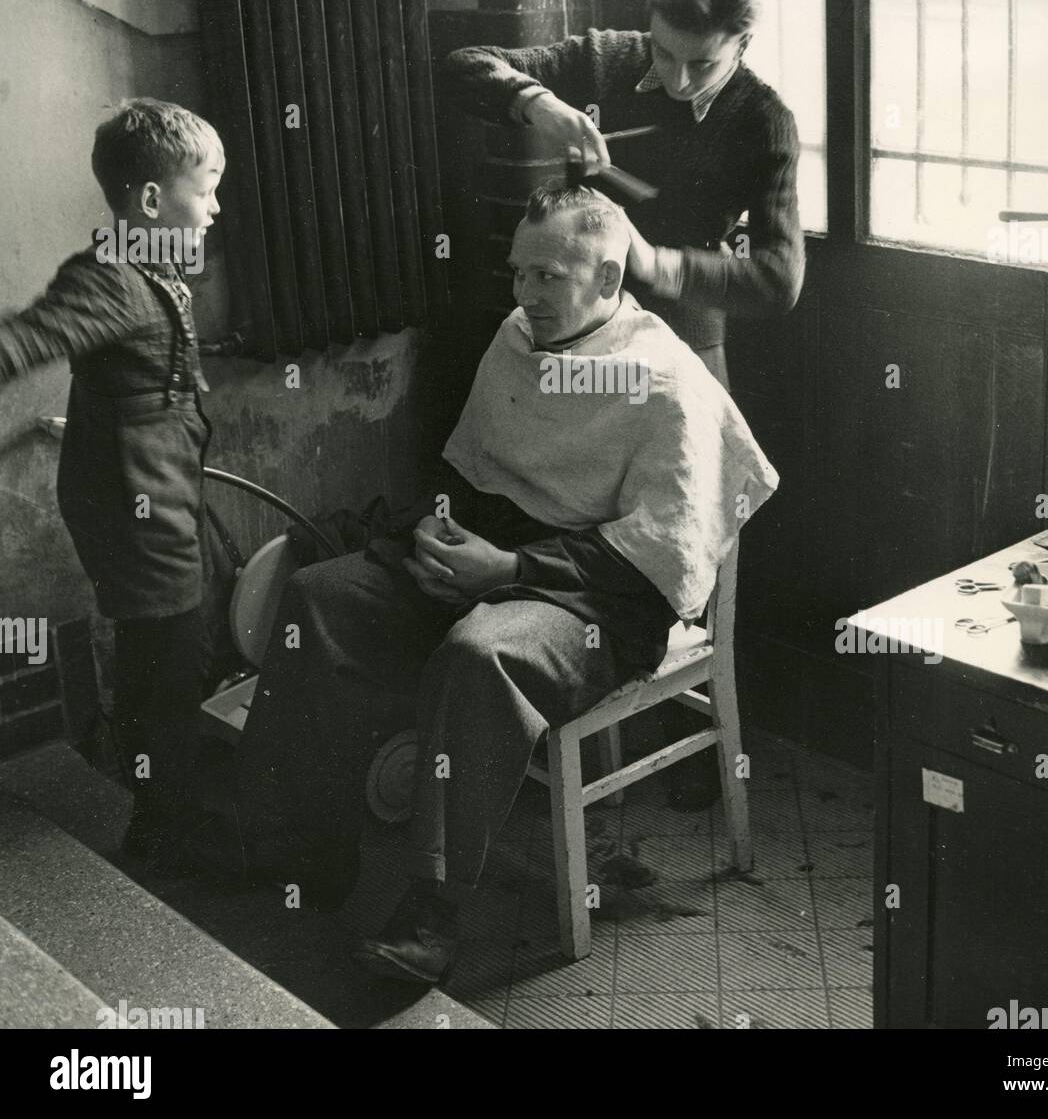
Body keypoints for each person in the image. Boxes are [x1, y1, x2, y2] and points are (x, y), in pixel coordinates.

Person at [232, 185, 778, 985]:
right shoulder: (518, 338)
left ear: (606, 279)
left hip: (597, 603)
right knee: (320, 597)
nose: (524, 294)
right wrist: (438, 529)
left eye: (548, 277)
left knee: (477, 653)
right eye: (518, 272)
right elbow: (478, 474)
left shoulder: (665, 381)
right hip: (502, 559)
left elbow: (656, 569)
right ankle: (302, 852)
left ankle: (433, 915)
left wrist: (513, 572)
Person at [443, 0, 803, 806]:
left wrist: (657, 264)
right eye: (666, 54)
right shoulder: (606, 60)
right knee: (568, 517)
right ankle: (560, 693)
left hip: (676, 351)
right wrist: (534, 100)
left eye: (701, 64)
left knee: (670, 540)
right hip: (573, 335)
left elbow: (780, 279)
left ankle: (672, 718)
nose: (675, 81)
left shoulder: (764, 121)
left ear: (743, 46)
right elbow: (461, 68)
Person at [0, 98, 224, 871]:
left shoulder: (150, 266)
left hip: (158, 496)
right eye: (208, 188)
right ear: (154, 201)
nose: (217, 207)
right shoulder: (109, 278)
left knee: (161, 653)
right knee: (166, 663)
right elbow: (27, 339)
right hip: (137, 510)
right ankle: (169, 825)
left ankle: (157, 798)